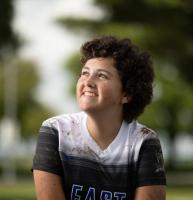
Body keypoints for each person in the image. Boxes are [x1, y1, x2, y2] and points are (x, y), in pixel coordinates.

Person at [32, 35, 166, 200]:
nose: (87, 81)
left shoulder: (143, 141)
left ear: (127, 93)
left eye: (102, 75)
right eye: (84, 73)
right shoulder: (55, 131)